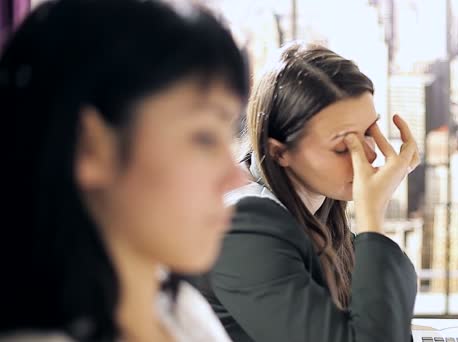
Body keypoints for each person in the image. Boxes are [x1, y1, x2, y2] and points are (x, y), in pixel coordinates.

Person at [0, 0, 248, 340]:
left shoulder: (183, 312)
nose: (235, 177)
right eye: (204, 138)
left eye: (228, 137)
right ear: (90, 146)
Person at [188, 42, 420, 342]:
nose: (370, 155)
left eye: (368, 132)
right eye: (342, 147)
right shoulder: (243, 226)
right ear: (279, 152)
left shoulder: (316, 207)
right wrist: (372, 216)